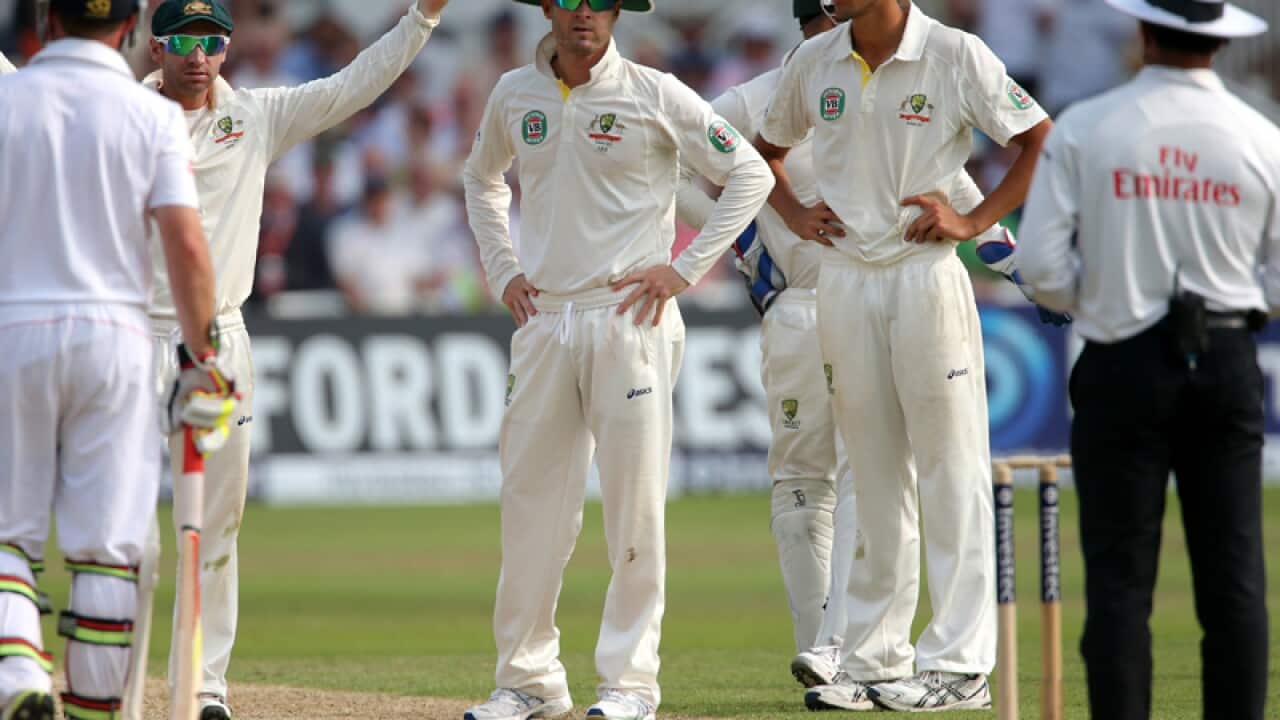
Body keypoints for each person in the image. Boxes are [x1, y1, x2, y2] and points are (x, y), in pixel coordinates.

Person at [676, 0, 1054, 696]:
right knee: (873, 473)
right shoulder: (812, 62)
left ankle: (961, 665)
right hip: (845, 281)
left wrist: (977, 225)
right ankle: (872, 660)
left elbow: (1036, 140)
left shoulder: (953, 53)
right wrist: (783, 221)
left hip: (921, 275)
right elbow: (762, 152)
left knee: (949, 466)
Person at [136, 1, 450, 718]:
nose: (198, 54)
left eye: (212, 40)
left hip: (218, 338)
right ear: (157, 47)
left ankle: (203, 687)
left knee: (217, 523)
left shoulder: (258, 116)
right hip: (134, 334)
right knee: (121, 523)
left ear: (226, 48)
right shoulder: (121, 115)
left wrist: (422, 18)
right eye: (183, 40)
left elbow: (355, 84)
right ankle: (113, 677)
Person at [462, 0, 774, 718]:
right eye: (570, 2)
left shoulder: (654, 92)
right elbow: (481, 179)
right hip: (544, 318)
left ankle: (630, 686)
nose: (585, 16)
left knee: (633, 512)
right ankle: (527, 681)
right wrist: (503, 267)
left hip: (629, 318)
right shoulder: (516, 93)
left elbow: (749, 175)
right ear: (548, 8)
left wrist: (685, 268)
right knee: (531, 507)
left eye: (601, 4)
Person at [1018, 1, 1274, 717]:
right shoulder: (1259, 136)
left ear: (1142, 33)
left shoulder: (1089, 124)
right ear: (1220, 42)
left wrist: (1096, 297)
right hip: (1225, 356)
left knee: (1120, 580)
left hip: (1120, 359)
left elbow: (1040, 265)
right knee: (1234, 576)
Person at [0, 0, 236, 717]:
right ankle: (92, 708)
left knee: (9, 533)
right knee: (107, 546)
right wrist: (204, 357)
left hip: (15, 329)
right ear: (133, 27)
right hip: (119, 339)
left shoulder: (9, 99)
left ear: (44, 15)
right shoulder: (156, 117)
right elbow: (188, 247)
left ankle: (20, 678)